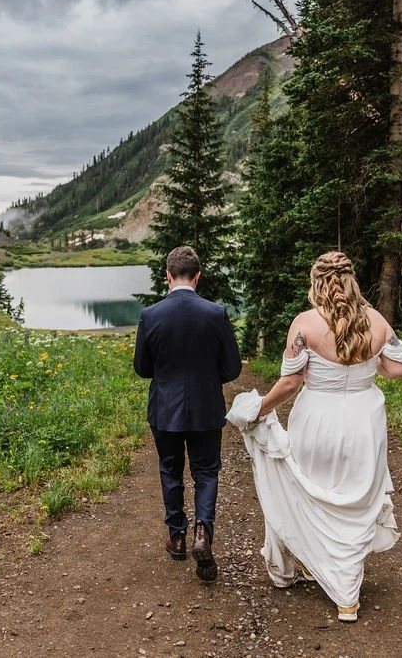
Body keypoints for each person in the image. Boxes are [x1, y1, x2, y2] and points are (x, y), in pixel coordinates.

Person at [226, 251, 402, 622]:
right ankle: (343, 591)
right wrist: (369, 361)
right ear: (351, 281)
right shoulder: (376, 320)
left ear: (317, 283)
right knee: (354, 501)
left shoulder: (305, 324)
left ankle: (332, 581)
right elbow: (398, 370)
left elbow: (291, 381)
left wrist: (260, 408)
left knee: (312, 493)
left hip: (317, 419)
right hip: (364, 421)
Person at [133, 246, 242, 582]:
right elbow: (233, 368)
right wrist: (208, 379)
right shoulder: (216, 313)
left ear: (168, 276)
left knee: (170, 469)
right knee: (206, 471)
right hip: (206, 407)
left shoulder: (150, 316)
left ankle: (177, 537)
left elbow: (142, 368)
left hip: (164, 408)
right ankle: (203, 534)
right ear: (197, 276)